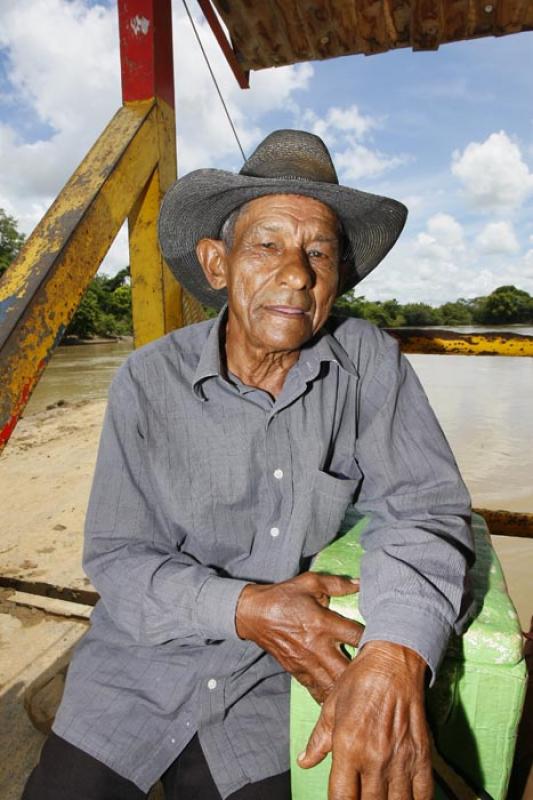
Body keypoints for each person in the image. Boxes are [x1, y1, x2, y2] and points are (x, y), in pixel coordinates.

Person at [22, 129, 474, 800]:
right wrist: (245, 607)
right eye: (267, 246)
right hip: (135, 671)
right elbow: (117, 556)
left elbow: (421, 510)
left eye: (318, 251)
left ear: (338, 276)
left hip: (277, 685)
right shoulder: (147, 381)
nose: (296, 272)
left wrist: (394, 653)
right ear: (217, 263)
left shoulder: (369, 364)